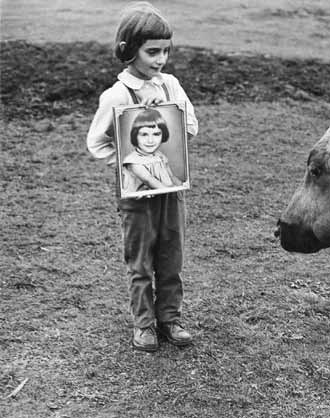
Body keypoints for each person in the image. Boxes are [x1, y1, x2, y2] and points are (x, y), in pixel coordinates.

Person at [86, 1, 198, 352]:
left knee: (171, 255)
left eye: (165, 51)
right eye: (152, 52)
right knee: (141, 258)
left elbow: (190, 125)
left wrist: (174, 143)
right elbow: (97, 142)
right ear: (129, 49)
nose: (160, 59)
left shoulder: (171, 86)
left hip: (170, 190)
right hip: (135, 196)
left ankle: (170, 318)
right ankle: (144, 324)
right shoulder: (117, 94)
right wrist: (127, 162)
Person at [123, 108, 182, 193]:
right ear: (135, 135)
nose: (150, 140)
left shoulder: (160, 156)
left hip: (162, 197)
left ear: (163, 135)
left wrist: (181, 186)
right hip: (141, 203)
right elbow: (149, 181)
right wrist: (173, 191)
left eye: (156, 134)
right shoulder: (133, 161)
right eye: (144, 134)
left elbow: (171, 176)